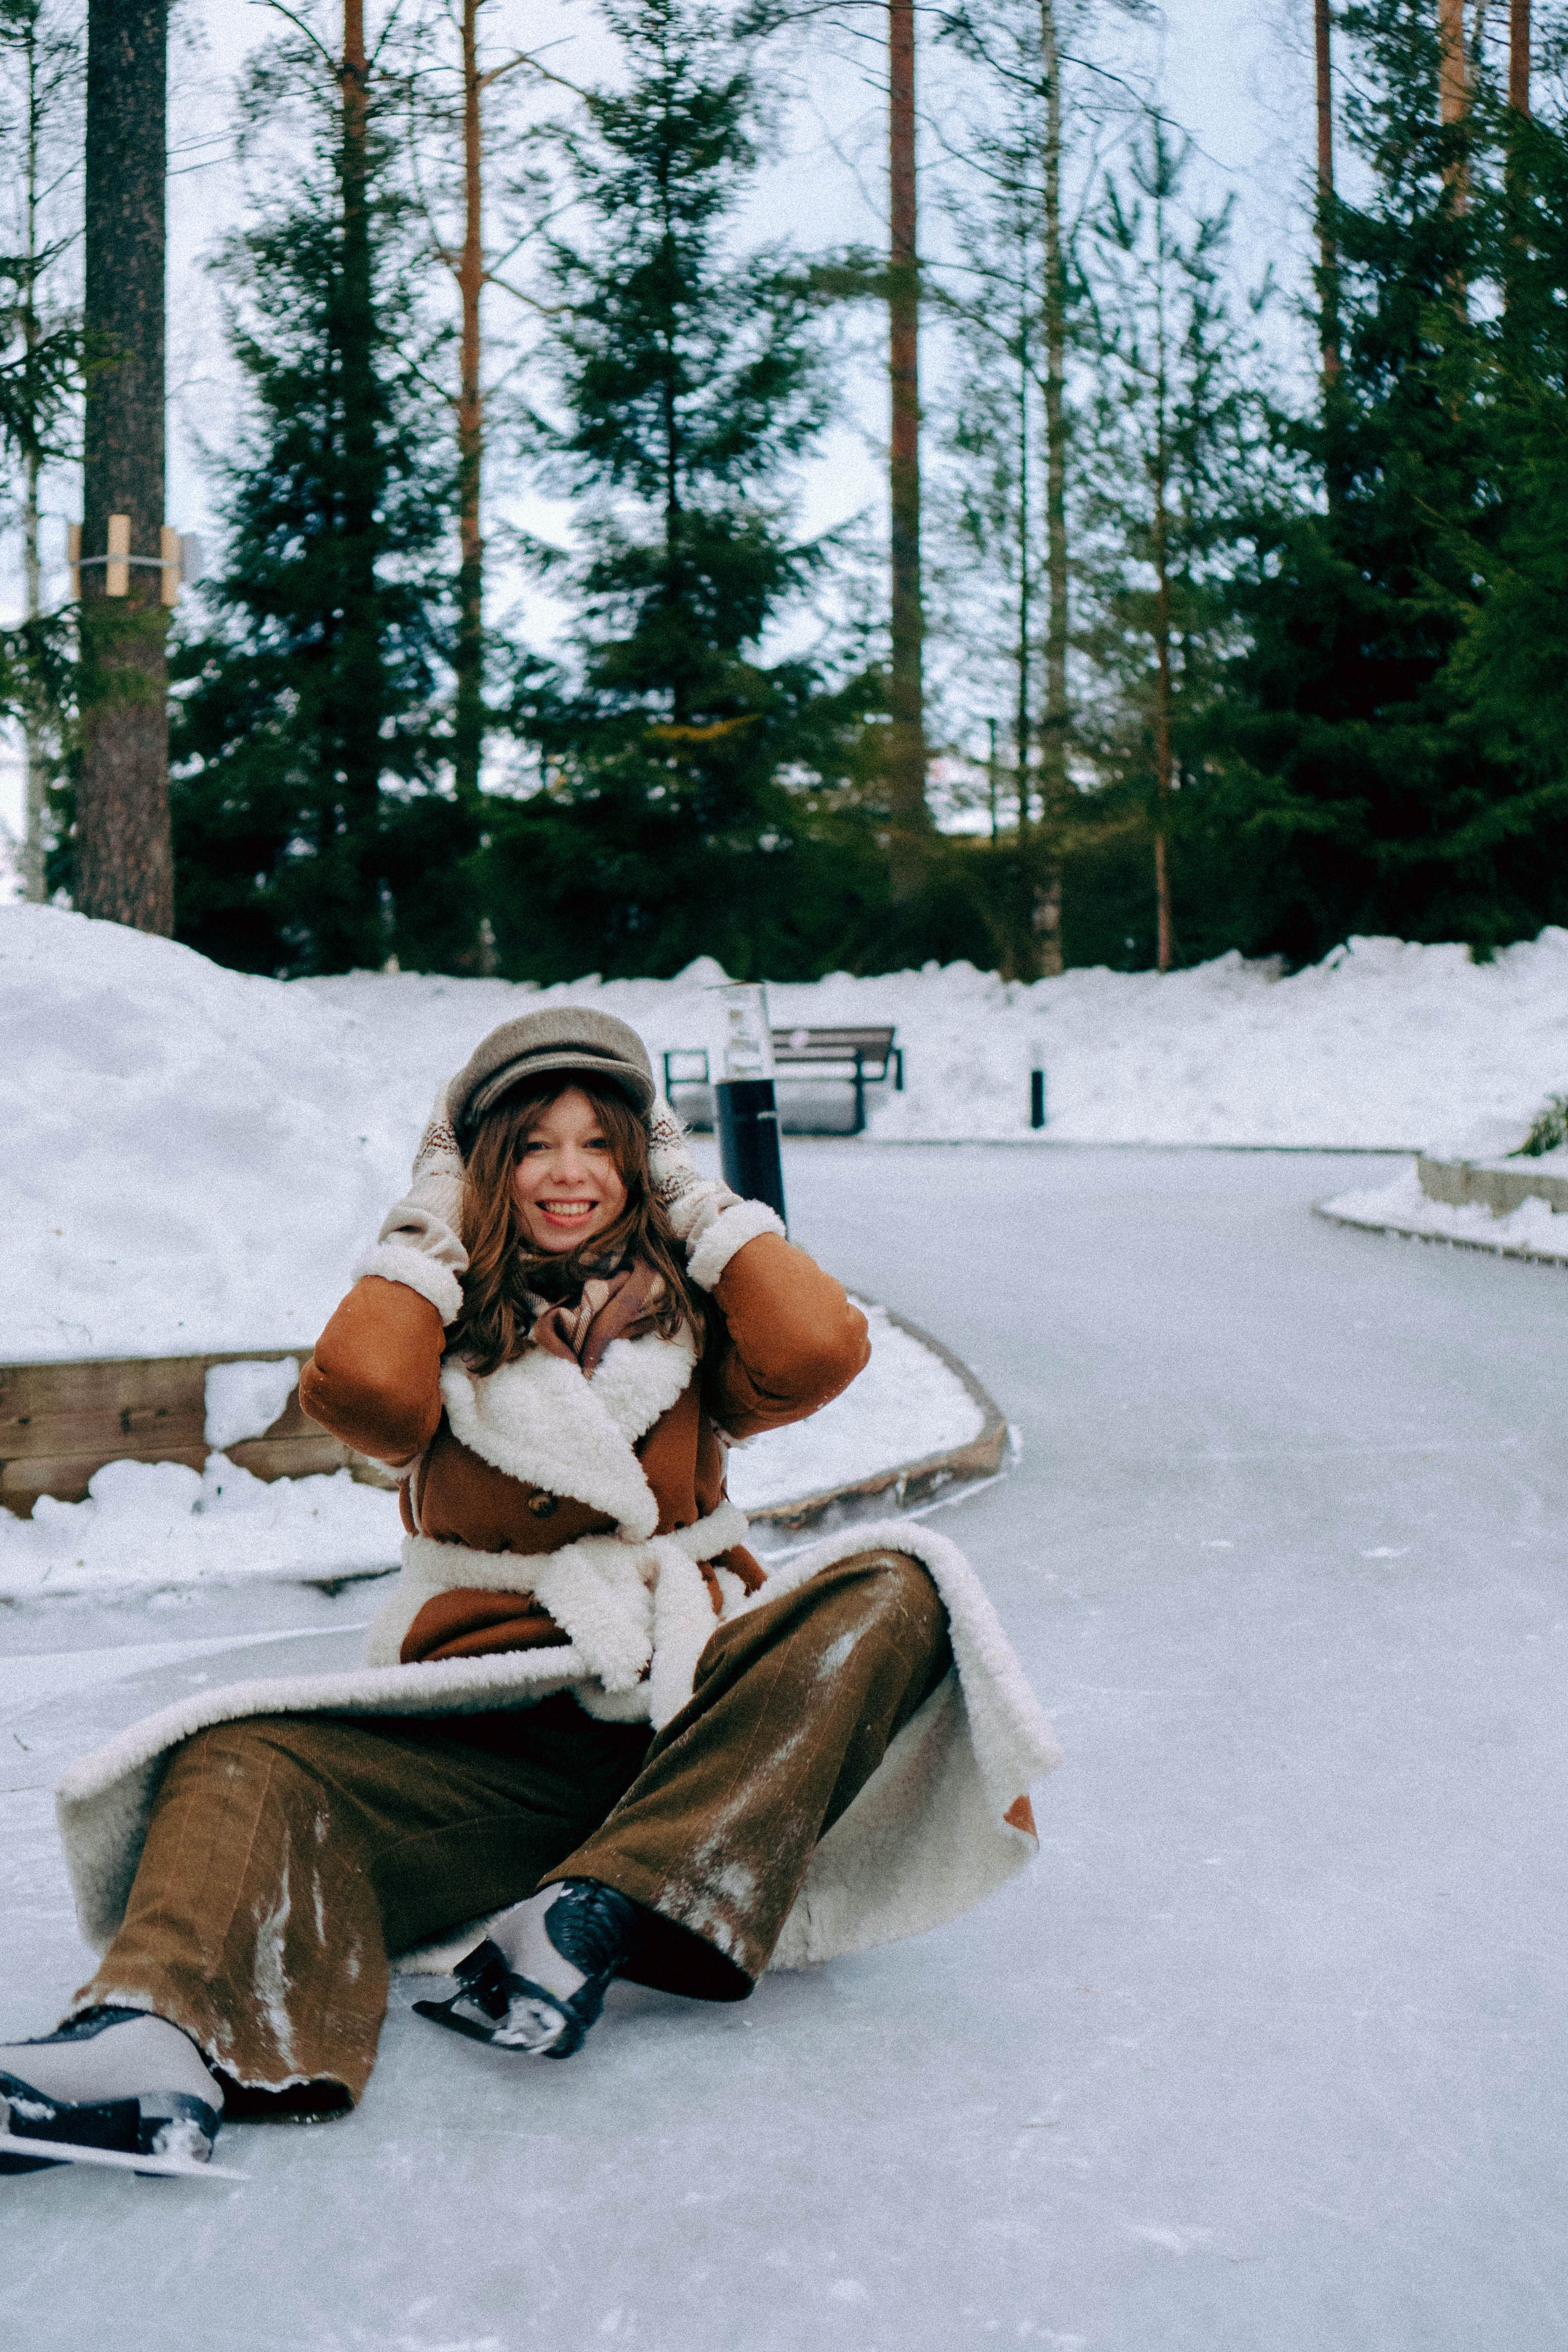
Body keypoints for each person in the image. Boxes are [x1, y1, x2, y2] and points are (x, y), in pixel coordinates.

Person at [2, 1009, 1057, 2176]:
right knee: (237, 1752)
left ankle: (591, 1915)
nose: (568, 1174)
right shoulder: (430, 1321)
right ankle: (149, 2037)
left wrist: (696, 1200)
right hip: (490, 1741)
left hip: (688, 1723)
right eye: (533, 1144)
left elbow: (818, 1349)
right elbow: (357, 1398)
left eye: (600, 1143)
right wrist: (426, 1223)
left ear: (640, 1160)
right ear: (484, 1163)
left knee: (901, 1583)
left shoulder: (697, 1317)